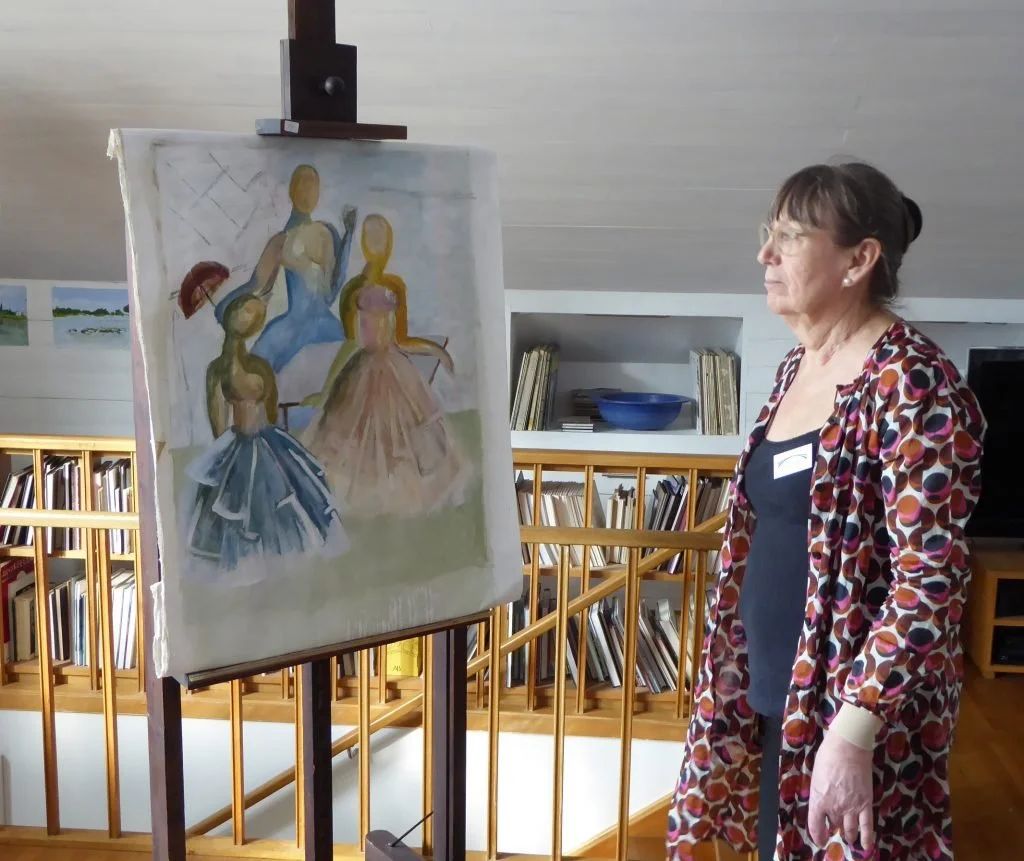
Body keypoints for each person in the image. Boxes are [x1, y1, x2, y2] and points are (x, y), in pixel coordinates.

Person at [666, 162, 986, 860]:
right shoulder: (797, 366)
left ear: (858, 259)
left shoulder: (914, 384)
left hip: (855, 721)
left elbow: (930, 582)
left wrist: (854, 729)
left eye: (789, 236)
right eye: (768, 233)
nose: (765, 254)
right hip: (775, 694)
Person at [301, 213, 471, 520]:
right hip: (362, 372)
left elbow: (402, 339)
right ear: (364, 245)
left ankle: (401, 499)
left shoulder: (395, 286)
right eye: (372, 239)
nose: (379, 246)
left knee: (407, 436)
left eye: (383, 239)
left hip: (395, 369)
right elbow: (350, 343)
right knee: (356, 438)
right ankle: (366, 502)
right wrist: (327, 391)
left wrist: (436, 350)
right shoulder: (353, 290)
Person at [183, 292, 350, 579]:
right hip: (238, 443)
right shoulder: (217, 370)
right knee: (239, 506)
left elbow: (271, 412)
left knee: (281, 495)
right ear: (230, 315)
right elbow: (218, 422)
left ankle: (285, 563)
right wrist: (227, 455)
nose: (249, 319)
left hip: (268, 440)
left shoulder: (259, 366)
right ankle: (252, 566)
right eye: (245, 312)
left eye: (255, 315)